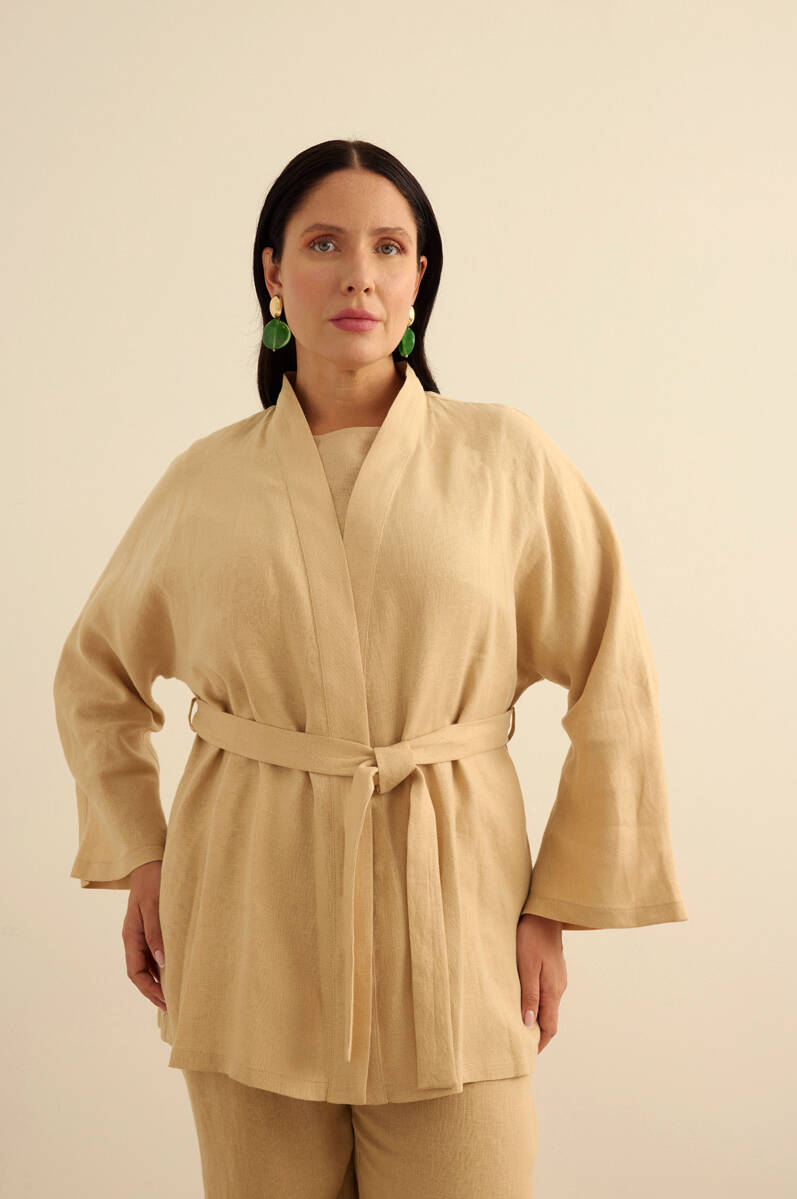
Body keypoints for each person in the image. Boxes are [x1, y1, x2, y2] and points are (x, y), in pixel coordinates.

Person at [52, 138, 688, 1198]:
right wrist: (142, 854)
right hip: (247, 911)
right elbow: (95, 672)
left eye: (389, 247)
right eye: (324, 244)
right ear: (272, 272)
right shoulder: (206, 480)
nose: (358, 274)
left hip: (458, 917)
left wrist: (553, 905)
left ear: (418, 278)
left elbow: (613, 672)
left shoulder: (503, 457)